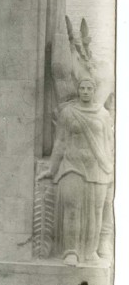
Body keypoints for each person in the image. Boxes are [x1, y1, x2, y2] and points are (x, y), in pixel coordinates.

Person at [42, 76, 114, 263]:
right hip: (72, 166)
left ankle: (91, 252)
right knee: (72, 208)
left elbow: (108, 143)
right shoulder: (68, 113)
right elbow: (60, 143)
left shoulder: (103, 114)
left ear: (94, 90)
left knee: (96, 211)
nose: (85, 91)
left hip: (98, 168)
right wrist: (52, 169)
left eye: (89, 88)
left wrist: (110, 168)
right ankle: (71, 251)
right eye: (82, 88)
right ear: (78, 90)